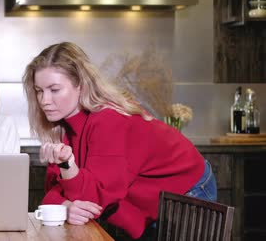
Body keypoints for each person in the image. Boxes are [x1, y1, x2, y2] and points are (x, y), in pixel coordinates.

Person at [22, 42, 216, 240]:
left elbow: (94, 200)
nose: (44, 100)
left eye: (54, 90)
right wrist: (66, 207)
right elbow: (51, 193)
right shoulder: (60, 127)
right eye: (39, 91)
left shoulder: (107, 120)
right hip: (147, 199)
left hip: (186, 187)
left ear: (81, 85)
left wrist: (67, 169)